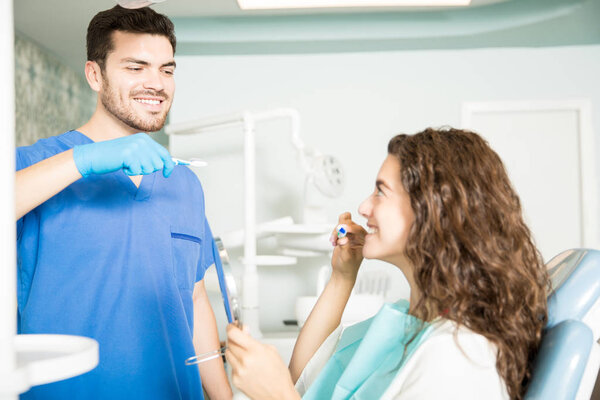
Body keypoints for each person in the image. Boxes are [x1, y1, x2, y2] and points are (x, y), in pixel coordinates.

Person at [225, 127, 550, 400]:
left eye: (381, 192)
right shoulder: (405, 324)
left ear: (432, 210)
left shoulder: (459, 355)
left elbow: (288, 392)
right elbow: (305, 381)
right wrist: (342, 278)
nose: (364, 207)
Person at [15, 6, 232, 400]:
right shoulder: (32, 166)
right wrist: (83, 161)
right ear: (94, 75)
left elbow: (195, 298)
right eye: (136, 67)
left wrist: (223, 395)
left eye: (167, 70)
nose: (157, 84)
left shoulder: (183, 182)